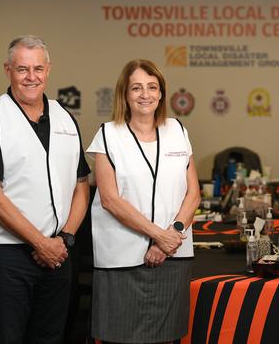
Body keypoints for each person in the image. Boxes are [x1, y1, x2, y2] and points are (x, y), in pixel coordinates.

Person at [0, 35, 91, 343]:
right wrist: (41, 243)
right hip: (6, 258)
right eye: (22, 69)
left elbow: (81, 185)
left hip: (58, 256)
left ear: (48, 70)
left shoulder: (64, 117)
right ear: (7, 70)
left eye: (37, 68)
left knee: (49, 337)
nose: (31, 77)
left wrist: (65, 238)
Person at [87, 59, 200, 343]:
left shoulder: (178, 130)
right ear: (124, 94)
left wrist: (171, 235)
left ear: (162, 93)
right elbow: (110, 199)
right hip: (122, 261)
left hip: (172, 257)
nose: (145, 94)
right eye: (136, 88)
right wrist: (158, 236)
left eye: (152, 87)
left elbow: (193, 193)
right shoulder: (107, 134)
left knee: (168, 337)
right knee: (120, 337)